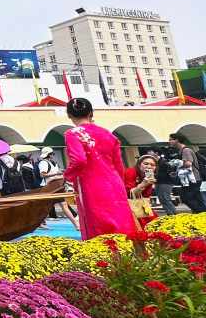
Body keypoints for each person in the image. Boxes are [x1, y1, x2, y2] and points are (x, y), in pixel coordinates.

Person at [62, 97, 138, 239]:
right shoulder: (108, 134)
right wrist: (121, 184)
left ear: (69, 115)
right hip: (115, 183)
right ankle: (128, 256)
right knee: (121, 222)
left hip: (91, 185)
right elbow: (118, 164)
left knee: (97, 225)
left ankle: (104, 259)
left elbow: (79, 160)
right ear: (91, 113)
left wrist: (67, 176)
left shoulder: (72, 134)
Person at [168, 134, 206, 213]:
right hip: (190, 179)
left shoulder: (186, 150)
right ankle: (203, 215)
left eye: (171, 139)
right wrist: (176, 172)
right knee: (197, 199)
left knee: (186, 198)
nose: (169, 142)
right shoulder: (182, 150)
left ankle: (201, 213)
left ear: (177, 140)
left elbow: (188, 163)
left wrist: (175, 162)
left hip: (192, 179)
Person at [152, 149, 179, 216]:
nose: (148, 154)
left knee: (166, 199)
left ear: (156, 153)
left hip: (165, 183)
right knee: (162, 199)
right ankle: (170, 214)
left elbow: (167, 174)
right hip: (158, 182)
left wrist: (154, 175)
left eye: (150, 152)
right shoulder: (156, 163)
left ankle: (175, 214)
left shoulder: (164, 162)